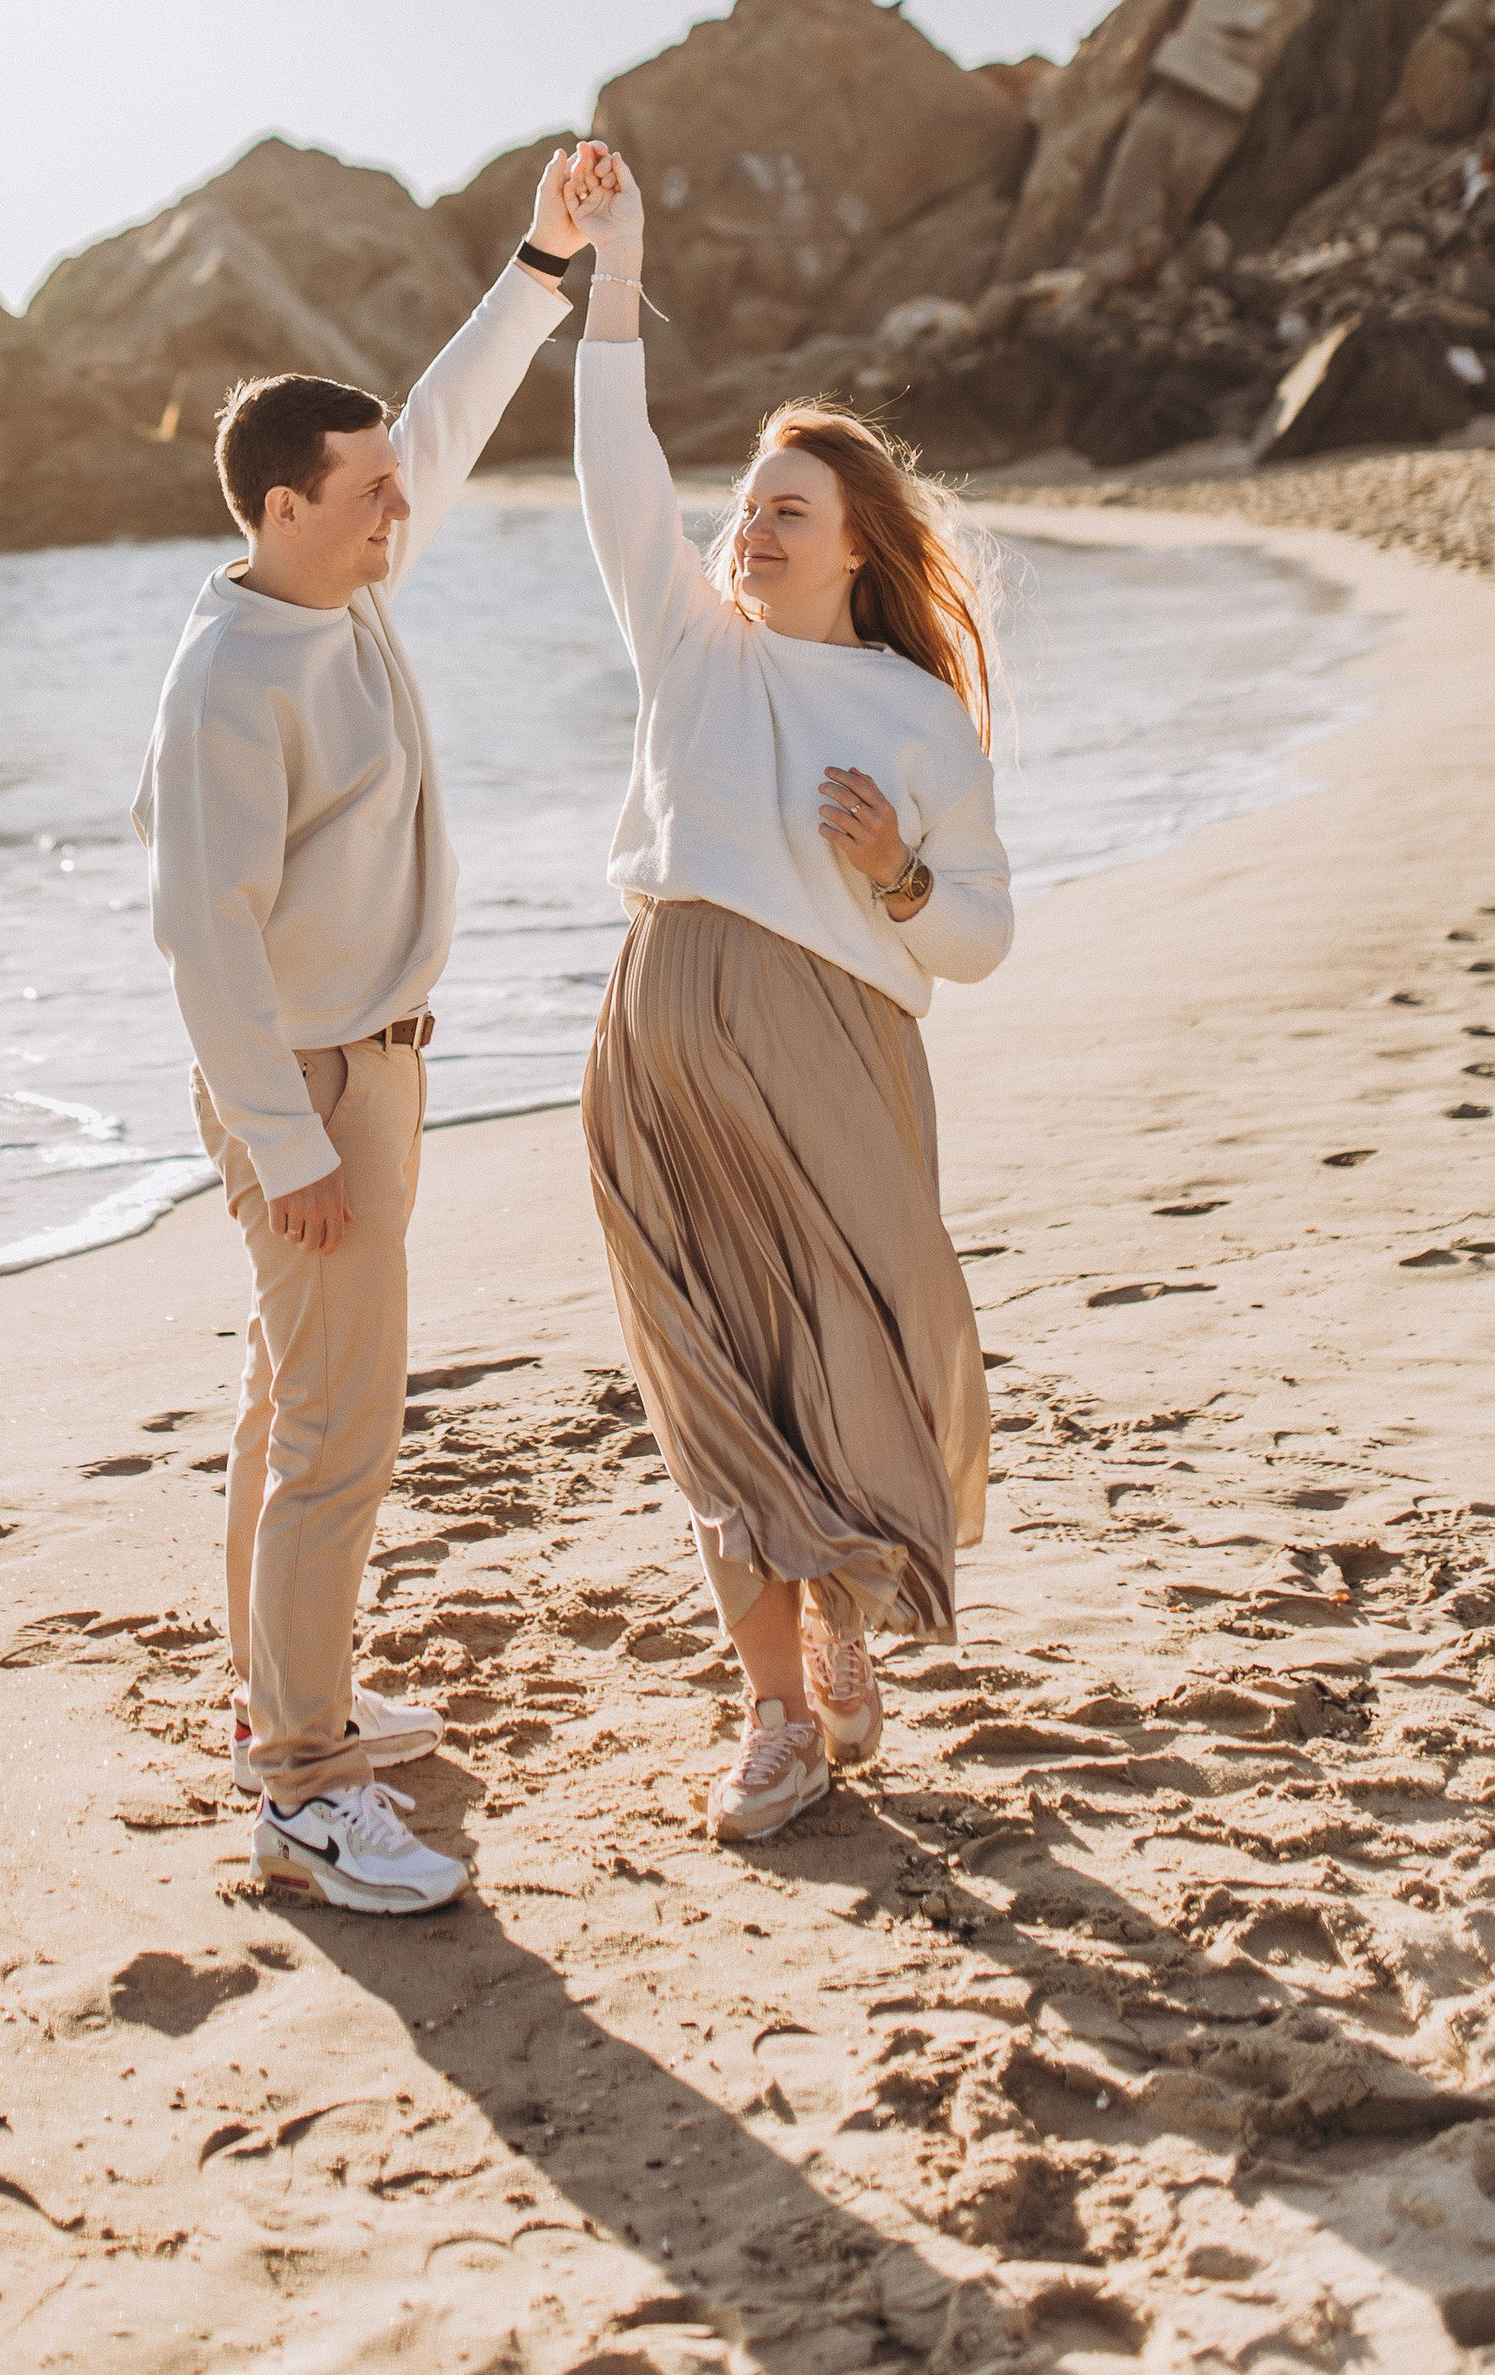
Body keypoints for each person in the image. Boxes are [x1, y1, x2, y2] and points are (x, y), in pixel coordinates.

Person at [134, 151, 602, 1912]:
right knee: (343, 1434)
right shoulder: (231, 681)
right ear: (275, 510)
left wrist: (543, 262)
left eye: (395, 494)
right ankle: (304, 1785)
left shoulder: (341, 589)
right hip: (313, 1089)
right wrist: (290, 1140)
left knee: (291, 1404)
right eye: (369, 496)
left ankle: (285, 1701)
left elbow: (445, 415)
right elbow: (201, 936)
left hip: (371, 1069)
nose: (404, 509)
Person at [562, 146, 1012, 1843]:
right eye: (742, 504)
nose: (746, 527)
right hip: (664, 1049)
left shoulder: (911, 715)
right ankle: (771, 1714)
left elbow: (974, 936)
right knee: (712, 1374)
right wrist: (619, 270)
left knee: (846, 1355)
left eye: (783, 511)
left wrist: (898, 871)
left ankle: (838, 1635)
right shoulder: (690, 640)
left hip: (836, 1057)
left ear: (853, 548)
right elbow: (617, 469)